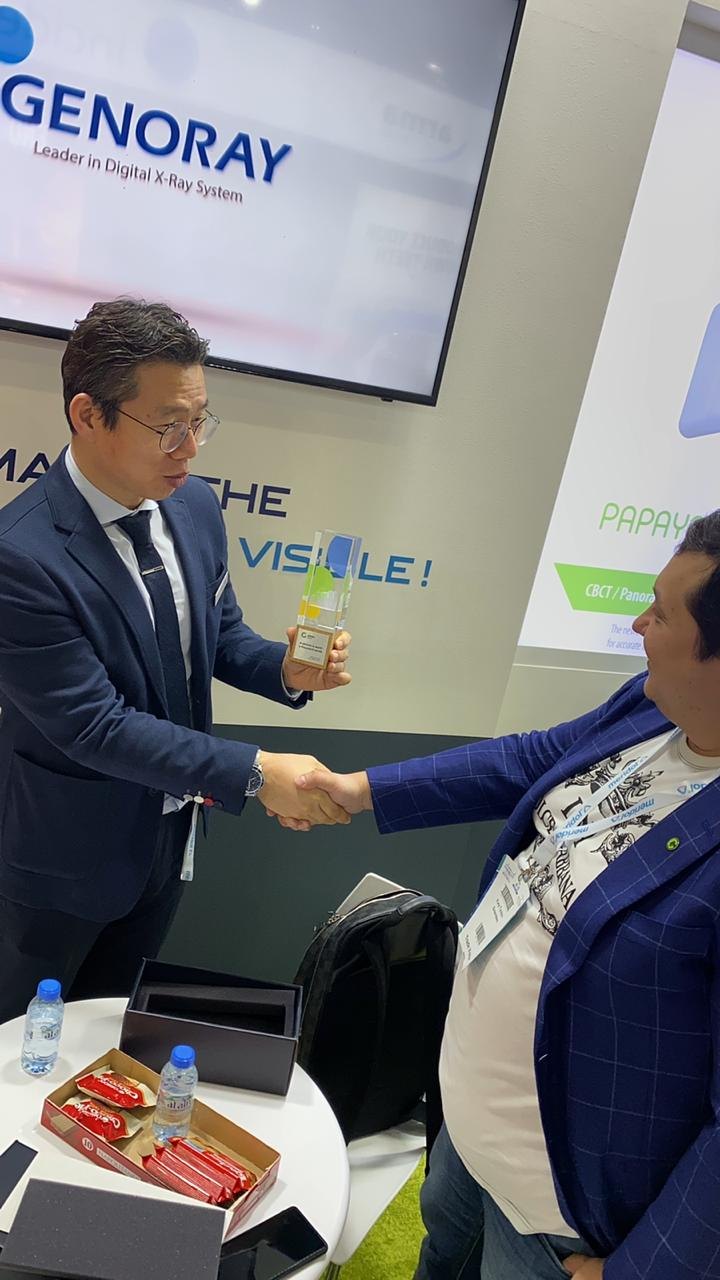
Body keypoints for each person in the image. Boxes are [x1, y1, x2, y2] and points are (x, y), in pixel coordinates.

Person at [288, 513, 720, 1280]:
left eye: (660, 614)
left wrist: (642, 1272)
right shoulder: (655, 704)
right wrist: (360, 790)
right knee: (442, 1255)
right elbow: (533, 759)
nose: (637, 624)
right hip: (472, 1123)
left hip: (563, 1215)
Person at [0, 298, 351, 1025]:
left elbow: (218, 638)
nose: (190, 449)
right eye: (168, 426)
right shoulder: (20, 556)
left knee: (110, 1039)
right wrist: (256, 771)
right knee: (21, 1049)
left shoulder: (193, 510)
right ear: (88, 415)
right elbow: (93, 726)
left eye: (199, 422)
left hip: (167, 838)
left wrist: (285, 670)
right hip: (60, 857)